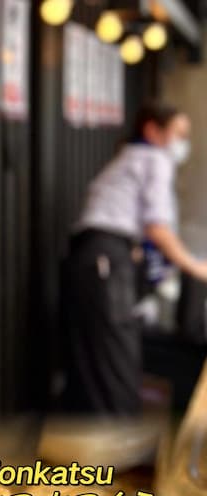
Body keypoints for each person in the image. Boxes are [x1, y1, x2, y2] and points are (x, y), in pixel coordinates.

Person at [62, 101, 207, 415]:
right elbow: (158, 228)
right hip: (105, 262)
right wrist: (194, 267)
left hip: (95, 259)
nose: (184, 143)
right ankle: (118, 456)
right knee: (115, 366)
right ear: (153, 130)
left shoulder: (129, 158)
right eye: (179, 133)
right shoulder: (154, 160)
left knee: (95, 361)